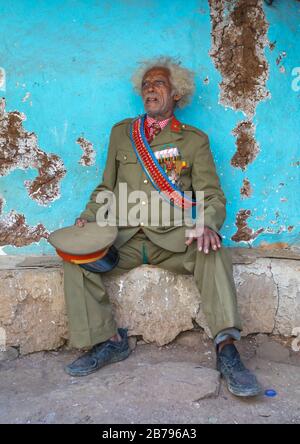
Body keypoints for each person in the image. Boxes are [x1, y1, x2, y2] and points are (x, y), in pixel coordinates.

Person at [62, 57, 261, 397]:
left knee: (212, 251)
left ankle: (227, 349)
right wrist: (89, 215)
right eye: (146, 85)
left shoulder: (193, 141)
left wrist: (207, 224)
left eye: (159, 84)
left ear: (176, 94)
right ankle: (108, 341)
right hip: (122, 237)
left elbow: (212, 195)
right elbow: (106, 186)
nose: (150, 89)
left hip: (173, 237)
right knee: (74, 257)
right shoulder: (122, 134)